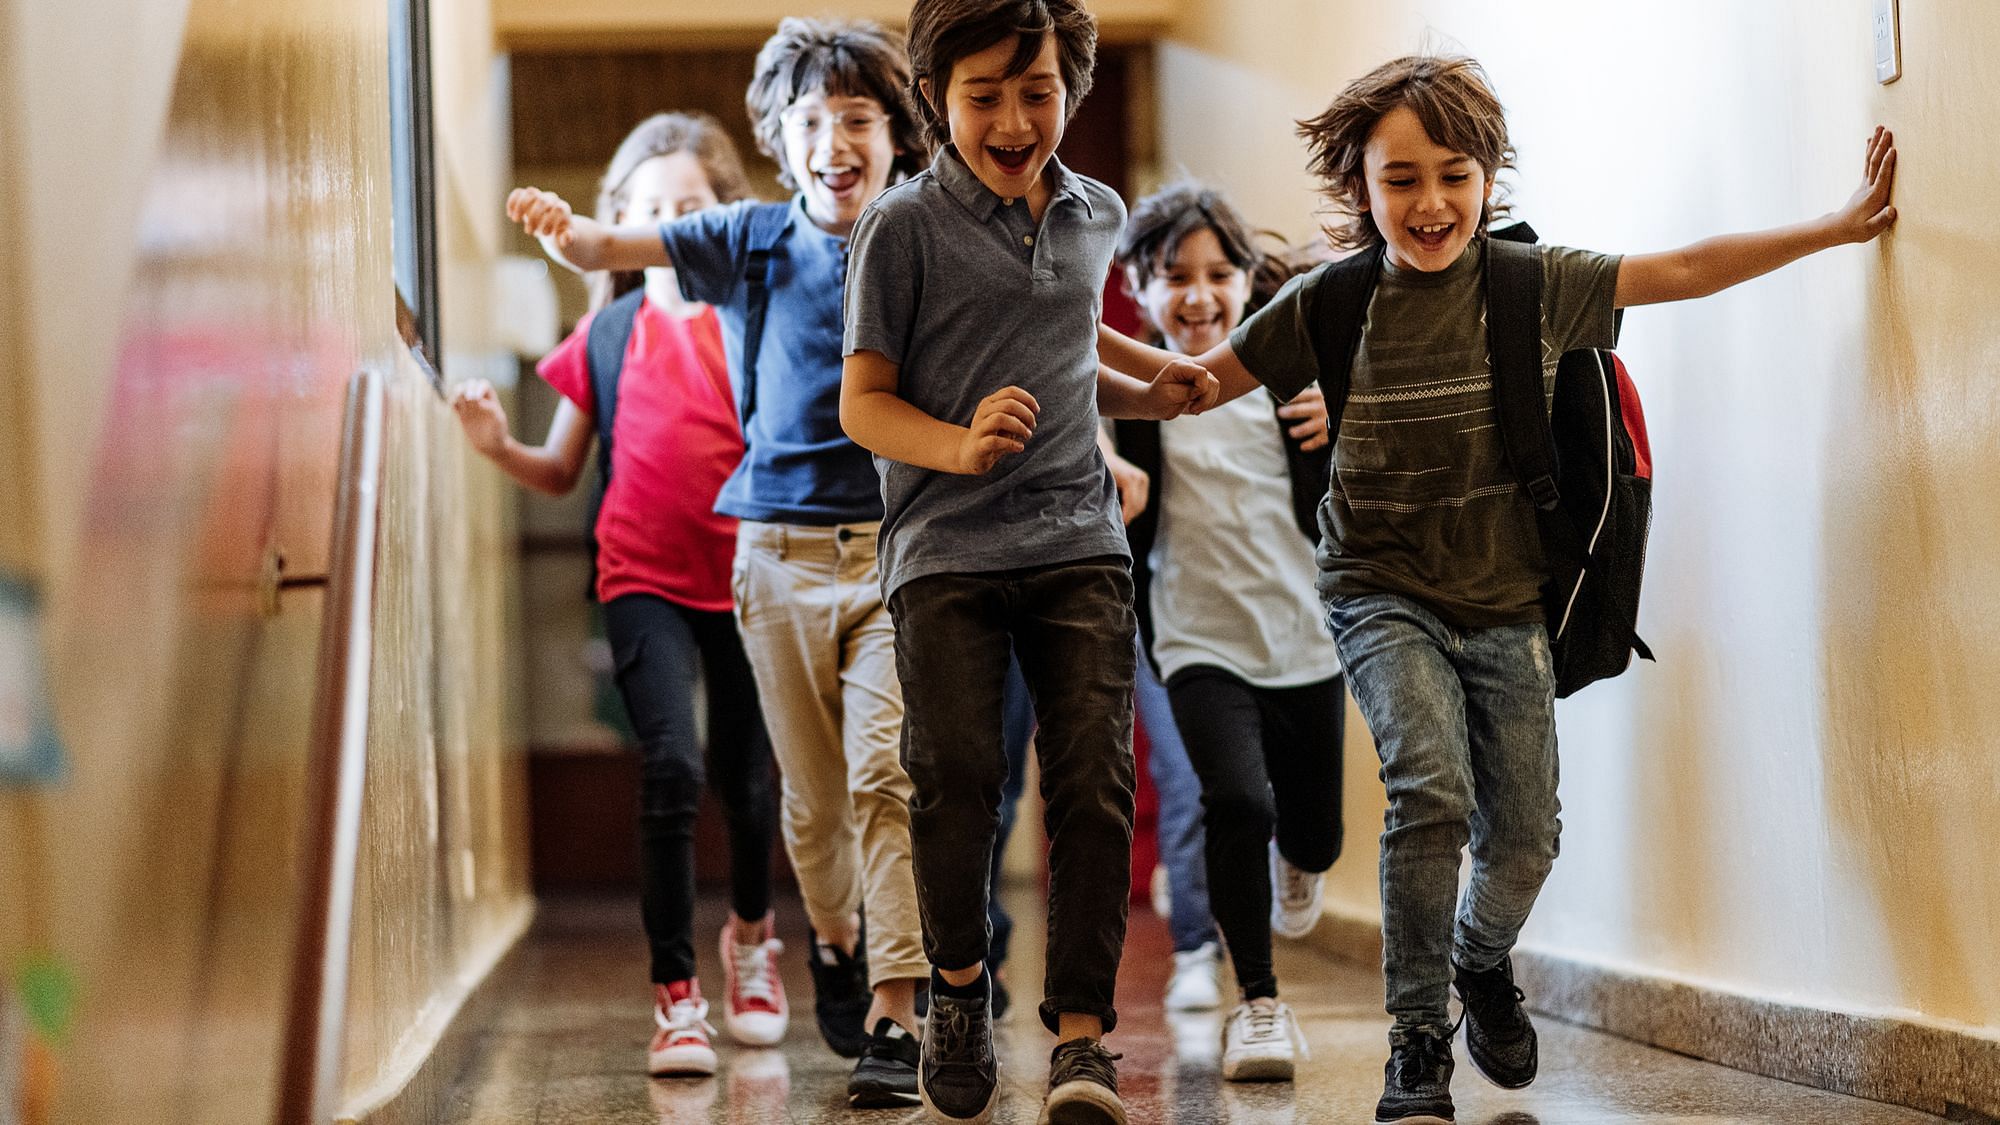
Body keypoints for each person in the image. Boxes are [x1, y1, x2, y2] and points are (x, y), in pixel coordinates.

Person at [1097, 54, 1897, 1125]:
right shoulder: (1326, 305)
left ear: (1487, 176)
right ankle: (1416, 1042)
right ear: (1358, 187)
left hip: (1506, 597)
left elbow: (1684, 269)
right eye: (1399, 180)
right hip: (1376, 590)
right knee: (1428, 788)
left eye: (1452, 174)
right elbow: (1189, 387)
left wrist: (1833, 227)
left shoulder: (1532, 285)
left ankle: (1478, 961)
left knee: (1522, 837)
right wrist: (1055, 320)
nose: (1428, 203)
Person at [505, 19, 938, 1108]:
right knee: (805, 797)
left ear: (894, 137)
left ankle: (894, 1007)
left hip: (893, 551)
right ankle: (831, 937)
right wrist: (568, 235)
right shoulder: (748, 236)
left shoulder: (927, 237)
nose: (833, 141)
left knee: (888, 775)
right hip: (775, 556)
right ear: (782, 145)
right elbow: (615, 253)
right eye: (810, 123)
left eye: (856, 119)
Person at [838, 1, 1216, 1119]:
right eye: (983, 97)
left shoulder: (1093, 212)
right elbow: (862, 404)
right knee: (956, 778)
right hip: (942, 546)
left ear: (1073, 88)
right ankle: (957, 990)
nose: (1012, 120)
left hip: (1075, 536)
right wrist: (955, 446)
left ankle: (1082, 1040)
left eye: (1036, 92)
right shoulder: (899, 228)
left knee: (1096, 782)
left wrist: (1156, 378)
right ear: (935, 98)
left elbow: (1067, 338)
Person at [454, 113, 784, 1077]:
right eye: (650, 210)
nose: (670, 226)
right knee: (671, 769)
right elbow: (559, 470)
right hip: (639, 576)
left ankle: (754, 940)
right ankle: (678, 1000)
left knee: (747, 774)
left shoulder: (754, 323)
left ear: (725, 220)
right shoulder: (606, 331)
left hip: (746, 574)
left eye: (690, 209)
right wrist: (492, 446)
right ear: (620, 224)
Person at [1109, 181, 1348, 1083]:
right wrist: (1109, 469)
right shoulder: (1133, 399)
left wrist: (1340, 418)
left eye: (1218, 274)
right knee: (1236, 802)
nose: (1198, 295)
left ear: (1250, 282)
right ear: (1140, 288)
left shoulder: (1293, 382)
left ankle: (1302, 861)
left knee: (1313, 834)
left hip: (1305, 641)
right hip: (1195, 643)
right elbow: (1078, 439)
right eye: (1175, 277)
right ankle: (1258, 1002)